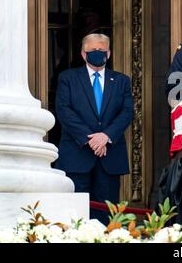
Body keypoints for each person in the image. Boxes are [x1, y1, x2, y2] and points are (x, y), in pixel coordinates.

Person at [55, 33, 134, 225]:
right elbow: (63, 111)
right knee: (74, 217)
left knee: (106, 217)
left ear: (109, 53)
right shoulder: (68, 78)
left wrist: (106, 136)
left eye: (102, 50)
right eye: (92, 51)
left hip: (109, 157)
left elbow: (127, 112)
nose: (97, 53)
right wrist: (91, 138)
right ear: (83, 54)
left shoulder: (122, 80)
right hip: (76, 155)